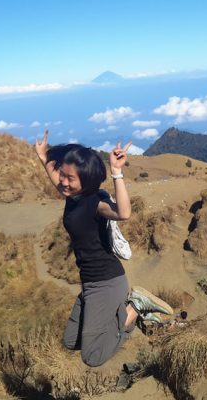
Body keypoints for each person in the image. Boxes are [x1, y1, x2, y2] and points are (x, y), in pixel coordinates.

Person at [35, 130, 173, 367]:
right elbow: (58, 180)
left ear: (85, 180)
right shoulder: (74, 195)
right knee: (71, 341)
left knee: (92, 356)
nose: (63, 181)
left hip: (106, 282)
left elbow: (124, 213)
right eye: (63, 175)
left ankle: (134, 307)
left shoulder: (96, 202)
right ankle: (123, 316)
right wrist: (44, 157)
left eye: (69, 178)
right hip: (89, 283)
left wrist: (117, 173)